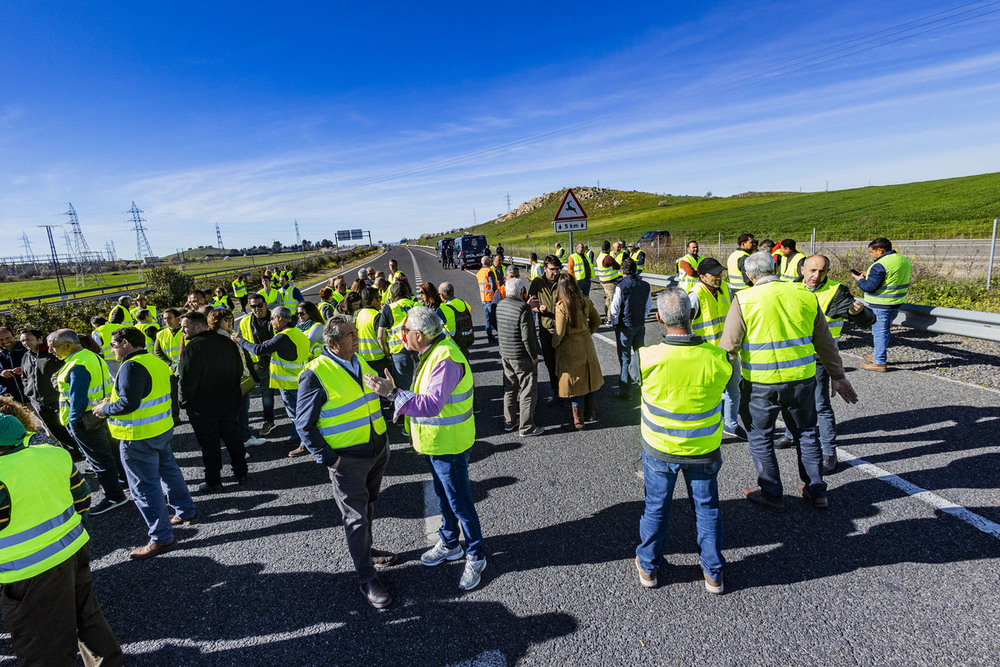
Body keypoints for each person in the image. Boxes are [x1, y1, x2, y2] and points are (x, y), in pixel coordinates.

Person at [719, 252, 858, 512]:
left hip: (761, 383)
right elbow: (825, 343)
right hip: (802, 381)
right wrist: (838, 376)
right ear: (775, 268)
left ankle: (772, 494)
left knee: (760, 438)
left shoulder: (744, 299)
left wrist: (715, 383)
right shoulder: (805, 295)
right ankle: (816, 491)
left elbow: (729, 349)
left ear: (749, 276)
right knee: (807, 433)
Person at [364, 307, 487, 591]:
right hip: (438, 441)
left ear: (418, 334)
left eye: (405, 331)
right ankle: (449, 542)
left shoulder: (445, 358)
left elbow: (432, 404)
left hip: (449, 443)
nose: (401, 336)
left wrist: (393, 393)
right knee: (445, 496)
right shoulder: (433, 351)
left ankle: (476, 554)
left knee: (460, 502)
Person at [0, 413, 124, 666]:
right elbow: (82, 497)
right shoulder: (53, 454)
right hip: (73, 546)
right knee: (86, 615)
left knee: (43, 644)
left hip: (27, 570)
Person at [632, 288, 731, 594]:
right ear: (693, 315)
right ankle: (713, 572)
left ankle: (648, 566)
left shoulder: (646, 357)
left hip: (660, 448)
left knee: (656, 508)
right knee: (707, 508)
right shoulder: (718, 357)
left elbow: (637, 380)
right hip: (703, 449)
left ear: (659, 318)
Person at [295, 314, 396, 608]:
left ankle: (368, 551)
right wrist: (331, 460)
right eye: (350, 334)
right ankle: (367, 577)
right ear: (332, 343)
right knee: (355, 518)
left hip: (376, 449)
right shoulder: (315, 373)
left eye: (354, 332)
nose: (356, 337)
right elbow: (305, 425)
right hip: (347, 460)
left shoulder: (358, 360)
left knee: (368, 507)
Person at [94, 327, 197, 559]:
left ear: (126, 343)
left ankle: (161, 537)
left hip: (137, 435)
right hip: (160, 428)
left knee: (144, 487)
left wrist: (104, 408)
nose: (112, 349)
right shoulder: (155, 361)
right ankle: (185, 511)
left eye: (113, 345)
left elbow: (129, 404)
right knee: (169, 471)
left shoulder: (131, 366)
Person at [775, 255, 875, 472]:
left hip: (819, 359)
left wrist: (855, 312)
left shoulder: (836, 291)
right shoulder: (789, 287)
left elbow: (865, 318)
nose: (815, 275)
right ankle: (791, 435)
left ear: (827, 271)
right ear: (802, 269)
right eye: (812, 270)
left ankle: (829, 452)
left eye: (821, 271)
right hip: (792, 358)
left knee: (821, 406)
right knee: (790, 401)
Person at [48, 329, 130, 515]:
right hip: (99, 413)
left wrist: (73, 421)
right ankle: (123, 481)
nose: (52, 351)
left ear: (68, 345)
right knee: (111, 452)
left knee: (99, 459)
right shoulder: (92, 356)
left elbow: (78, 399)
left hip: (84, 420)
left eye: (54, 347)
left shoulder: (77, 365)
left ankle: (114, 496)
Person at [179, 311, 248, 492]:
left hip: (203, 406)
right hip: (229, 400)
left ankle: (213, 480)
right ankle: (241, 472)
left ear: (198, 327)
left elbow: (186, 380)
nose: (182, 331)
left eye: (185, 327)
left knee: (209, 444)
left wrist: (184, 402)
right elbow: (239, 369)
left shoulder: (193, 347)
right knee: (233, 437)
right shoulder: (226, 342)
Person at [233, 306, 311, 456]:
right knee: (298, 413)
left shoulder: (283, 336)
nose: (271, 322)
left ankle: (305, 444)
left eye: (272, 319)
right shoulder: (295, 332)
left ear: (279, 318)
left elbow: (258, 350)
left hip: (289, 383)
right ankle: (296, 438)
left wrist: (239, 340)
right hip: (298, 380)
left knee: (296, 416)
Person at [687, 258, 744, 440]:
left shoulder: (726, 288)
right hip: (707, 355)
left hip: (729, 351)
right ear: (702, 276)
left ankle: (731, 424)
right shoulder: (695, 295)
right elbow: (685, 326)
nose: (719, 277)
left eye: (721, 273)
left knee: (734, 389)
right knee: (708, 394)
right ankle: (708, 426)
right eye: (715, 274)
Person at [551, 273, 603, 431]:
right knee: (588, 380)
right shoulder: (585, 301)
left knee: (575, 385)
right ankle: (590, 413)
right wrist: (587, 333)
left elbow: (559, 332)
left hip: (570, 348)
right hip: (586, 345)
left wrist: (553, 345)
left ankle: (578, 422)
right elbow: (597, 321)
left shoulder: (561, 306)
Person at [17, 328, 81, 458]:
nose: (25, 343)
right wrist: (28, 391)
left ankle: (84, 451)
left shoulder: (53, 354)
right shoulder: (26, 356)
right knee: (54, 430)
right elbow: (25, 376)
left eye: (28, 339)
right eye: (23, 340)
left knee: (70, 427)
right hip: (37, 401)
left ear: (40, 338)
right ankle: (72, 453)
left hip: (56, 398)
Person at [208, 308, 266, 449]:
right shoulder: (217, 339)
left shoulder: (231, 334)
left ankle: (246, 437)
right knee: (232, 415)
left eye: (231, 319)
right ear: (216, 322)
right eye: (226, 320)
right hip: (229, 383)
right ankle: (237, 445)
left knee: (243, 410)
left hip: (243, 379)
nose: (230, 322)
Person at [854, 237, 913, 372]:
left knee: (879, 332)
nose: (871, 254)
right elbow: (890, 278)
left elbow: (869, 287)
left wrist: (860, 280)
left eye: (871, 252)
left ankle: (879, 362)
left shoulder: (880, 264)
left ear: (880, 250)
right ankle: (877, 355)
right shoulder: (903, 260)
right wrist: (869, 274)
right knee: (884, 331)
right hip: (896, 302)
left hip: (881, 303)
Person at [496, 278, 543, 436]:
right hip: (521, 356)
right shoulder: (523, 308)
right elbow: (527, 337)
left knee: (510, 389)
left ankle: (509, 422)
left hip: (505, 354)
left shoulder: (500, 305)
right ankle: (527, 427)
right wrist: (534, 355)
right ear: (522, 291)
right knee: (528, 390)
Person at [608, 258, 651, 401]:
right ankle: (642, 386)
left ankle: (625, 390)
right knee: (640, 356)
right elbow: (648, 305)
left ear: (623, 271)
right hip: (640, 324)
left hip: (625, 326)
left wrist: (614, 322)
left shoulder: (621, 286)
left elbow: (615, 308)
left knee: (625, 358)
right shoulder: (645, 285)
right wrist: (642, 317)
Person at [240, 293, 278, 436]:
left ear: (266, 304)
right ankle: (269, 421)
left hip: (279, 363)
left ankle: (300, 421)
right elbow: (240, 343)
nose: (257, 309)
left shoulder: (276, 317)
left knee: (290, 394)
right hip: (259, 365)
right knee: (266, 393)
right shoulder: (244, 322)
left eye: (259, 305)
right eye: (253, 306)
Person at [527, 255, 562, 405]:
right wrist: (538, 308)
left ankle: (568, 394)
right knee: (550, 363)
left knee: (565, 363)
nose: (555, 273)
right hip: (546, 330)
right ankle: (556, 393)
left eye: (557, 269)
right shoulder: (537, 282)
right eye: (552, 270)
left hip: (563, 329)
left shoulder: (564, 280)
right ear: (545, 268)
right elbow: (530, 302)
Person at [378, 280, 419, 392]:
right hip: (420, 351)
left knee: (404, 389)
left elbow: (380, 337)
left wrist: (387, 353)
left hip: (399, 354)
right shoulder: (417, 305)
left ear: (392, 296)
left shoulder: (389, 308)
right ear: (407, 292)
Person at [153, 308, 185, 425]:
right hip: (170, 370)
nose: (166, 321)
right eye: (164, 318)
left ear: (178, 319)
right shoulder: (160, 334)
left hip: (186, 368)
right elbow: (157, 352)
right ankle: (175, 416)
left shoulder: (185, 331)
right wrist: (171, 364)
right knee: (172, 395)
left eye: (169, 318)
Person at [595, 240, 622, 322]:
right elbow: (617, 266)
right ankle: (610, 319)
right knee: (613, 300)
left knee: (608, 299)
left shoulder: (600, 256)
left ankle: (607, 317)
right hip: (610, 282)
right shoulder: (608, 258)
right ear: (609, 248)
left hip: (603, 281)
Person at [0, 326, 27, 403]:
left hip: (31, 398)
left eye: (8, 338)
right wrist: (1, 373)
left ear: (14, 335)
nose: (5, 342)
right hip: (8, 400)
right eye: (1, 340)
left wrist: (25, 369)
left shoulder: (26, 348)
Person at [476, 256, 499, 344]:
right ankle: (502, 335)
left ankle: (490, 337)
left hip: (483, 298)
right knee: (494, 318)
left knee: (487, 319)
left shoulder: (479, 273)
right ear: (488, 262)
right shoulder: (489, 271)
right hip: (490, 298)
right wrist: (497, 294)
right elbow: (493, 285)